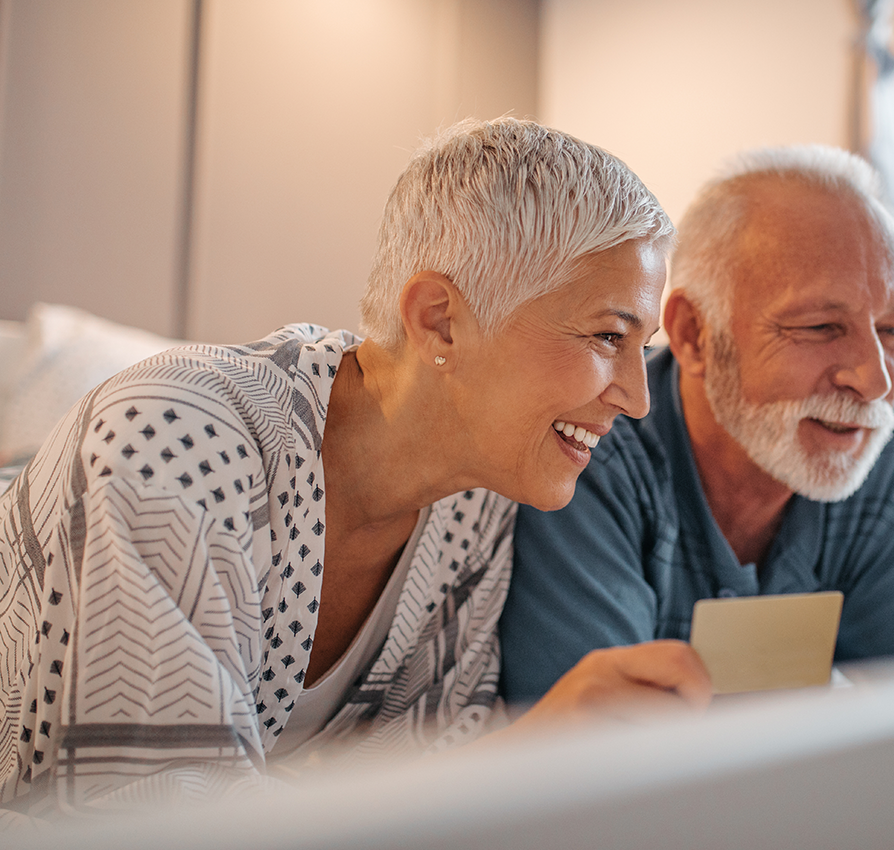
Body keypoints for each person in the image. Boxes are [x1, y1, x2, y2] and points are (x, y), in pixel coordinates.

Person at [0, 118, 712, 822]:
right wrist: (527, 749)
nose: (638, 399)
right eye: (606, 336)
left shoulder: (476, 502)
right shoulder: (174, 436)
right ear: (440, 321)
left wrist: (548, 748)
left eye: (637, 345)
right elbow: (156, 824)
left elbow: (404, 800)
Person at [500, 144, 894, 704]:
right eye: (823, 326)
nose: (875, 382)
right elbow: (590, 767)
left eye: (892, 331)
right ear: (693, 335)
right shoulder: (587, 457)